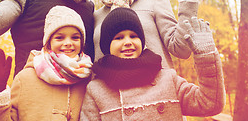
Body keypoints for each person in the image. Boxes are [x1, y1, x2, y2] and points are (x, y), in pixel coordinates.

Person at [80, 7, 225, 120]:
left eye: (133, 36)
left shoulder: (168, 79)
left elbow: (210, 103)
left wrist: (206, 57)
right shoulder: (96, 89)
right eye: (118, 38)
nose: (128, 42)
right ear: (107, 45)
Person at [0, 6, 93, 121]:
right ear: (48, 42)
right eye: (59, 38)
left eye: (75, 37)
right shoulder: (24, 78)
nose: (68, 43)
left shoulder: (89, 78)